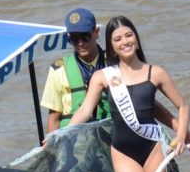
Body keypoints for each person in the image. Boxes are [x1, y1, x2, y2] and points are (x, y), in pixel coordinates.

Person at [68, 16, 189, 172]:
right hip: (124, 153)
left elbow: (182, 106)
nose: (125, 41)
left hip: (154, 149)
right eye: (118, 38)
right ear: (111, 45)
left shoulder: (156, 73)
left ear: (136, 37)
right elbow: (84, 110)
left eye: (129, 35)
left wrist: (182, 135)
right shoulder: (103, 77)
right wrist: (63, 134)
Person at [40, 8, 180, 135]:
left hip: (112, 138)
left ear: (96, 33)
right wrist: (53, 152)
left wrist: (180, 129)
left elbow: (145, 101)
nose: (80, 43)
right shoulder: (58, 69)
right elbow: (54, 118)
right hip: (75, 144)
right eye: (74, 38)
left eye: (85, 36)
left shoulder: (118, 64)